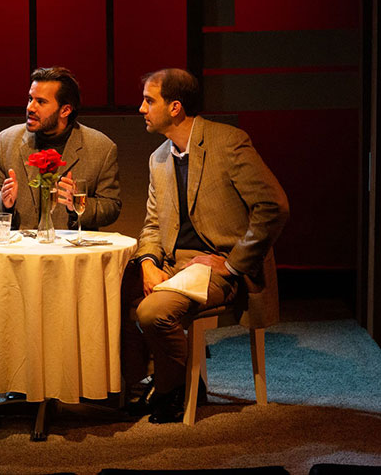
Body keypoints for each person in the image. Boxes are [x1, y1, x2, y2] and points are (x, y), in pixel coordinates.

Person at [122, 69, 289, 423]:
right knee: (107, 290)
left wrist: (231, 265)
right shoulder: (159, 158)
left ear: (176, 107)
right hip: (173, 262)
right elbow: (153, 224)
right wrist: (149, 261)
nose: (141, 108)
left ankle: (171, 390)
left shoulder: (228, 142)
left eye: (149, 100)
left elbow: (273, 206)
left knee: (153, 312)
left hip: (220, 267)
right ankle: (140, 383)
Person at [0, 66, 121, 231]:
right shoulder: (6, 141)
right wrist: (3, 202)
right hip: (22, 250)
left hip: (71, 251)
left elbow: (112, 206)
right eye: (29, 99)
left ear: (65, 110)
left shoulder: (101, 147)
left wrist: (77, 205)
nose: (30, 108)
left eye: (40, 102)